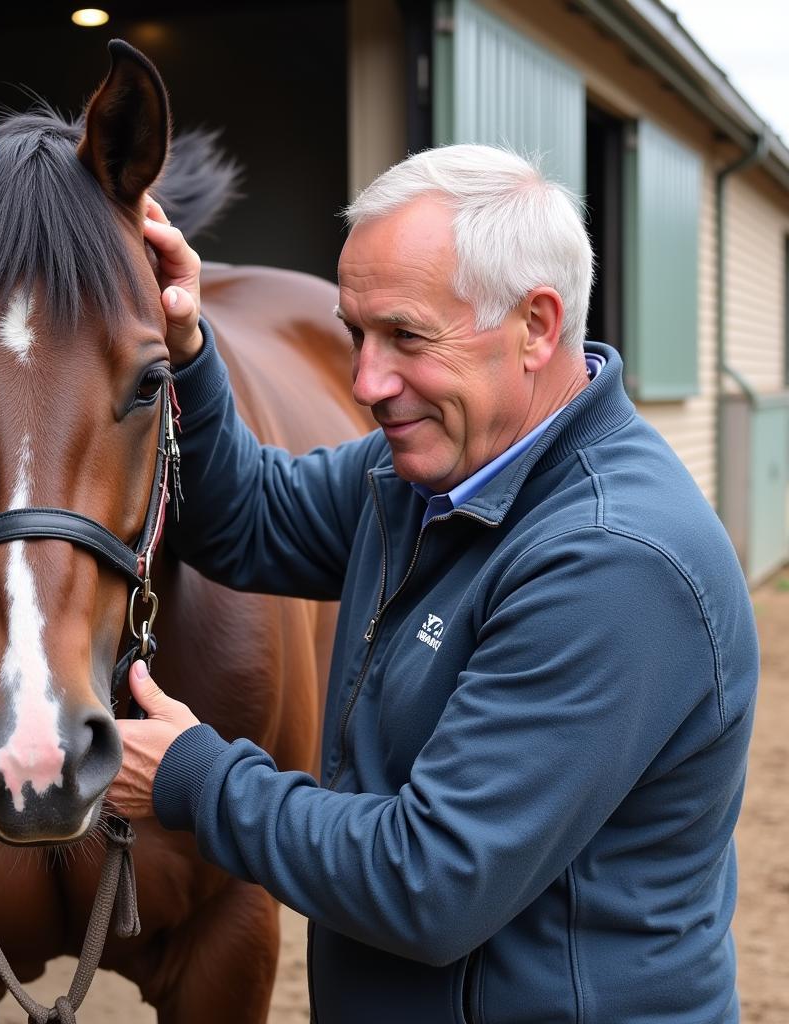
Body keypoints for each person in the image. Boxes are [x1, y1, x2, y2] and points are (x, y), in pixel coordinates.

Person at [111, 144, 758, 1023]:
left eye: (407, 336)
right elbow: (243, 517)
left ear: (535, 325)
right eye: (355, 332)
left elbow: (432, 883)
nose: (365, 382)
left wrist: (197, 776)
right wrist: (187, 348)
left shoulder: (613, 561)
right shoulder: (424, 477)